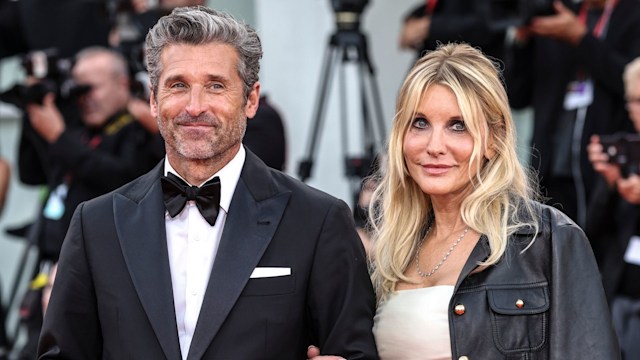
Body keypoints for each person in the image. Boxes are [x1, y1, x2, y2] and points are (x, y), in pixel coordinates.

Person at [38, 6, 378, 360]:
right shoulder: (96, 225)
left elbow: (355, 353)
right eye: (178, 86)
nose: (195, 106)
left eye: (216, 86)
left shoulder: (317, 221)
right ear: (154, 100)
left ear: (251, 99)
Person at [366, 43, 618, 359]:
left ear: (493, 140)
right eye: (419, 123)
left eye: (458, 126)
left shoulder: (546, 240)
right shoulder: (392, 250)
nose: (434, 146)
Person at [21, 46, 163, 262]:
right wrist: (33, 111)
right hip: (53, 259)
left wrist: (59, 138)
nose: (84, 98)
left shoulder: (140, 129)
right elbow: (30, 174)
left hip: (103, 261)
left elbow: (123, 178)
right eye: (78, 90)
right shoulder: (78, 127)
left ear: (122, 84)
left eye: (91, 89)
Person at [505, 0, 640, 227]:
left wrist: (581, 39)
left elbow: (631, 81)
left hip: (607, 169)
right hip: (549, 165)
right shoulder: (558, 14)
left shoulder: (633, 14)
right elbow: (517, 97)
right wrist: (522, 40)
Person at [586, 56, 640, 358]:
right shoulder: (628, 149)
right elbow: (593, 230)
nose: (636, 111)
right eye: (634, 101)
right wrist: (609, 184)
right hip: (619, 293)